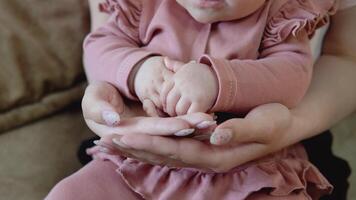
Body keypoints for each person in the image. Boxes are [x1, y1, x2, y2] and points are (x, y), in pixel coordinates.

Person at [46, 0, 356, 199]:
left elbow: (292, 76)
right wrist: (139, 70)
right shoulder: (145, 5)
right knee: (69, 193)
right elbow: (101, 45)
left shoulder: (280, 13)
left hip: (251, 164)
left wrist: (217, 80)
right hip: (140, 159)